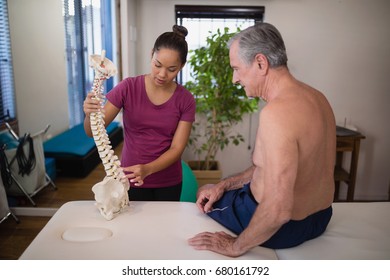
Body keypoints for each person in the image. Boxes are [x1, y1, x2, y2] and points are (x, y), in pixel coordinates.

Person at [188, 22, 336, 257]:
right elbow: (271, 168)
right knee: (219, 187)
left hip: (284, 229)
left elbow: (278, 210)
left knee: (203, 191)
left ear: (260, 62)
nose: (235, 79)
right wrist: (225, 184)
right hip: (320, 218)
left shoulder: (276, 114)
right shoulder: (319, 99)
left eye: (236, 69)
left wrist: (234, 246)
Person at [83, 25, 196, 201]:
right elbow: (92, 132)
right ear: (152, 54)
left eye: (172, 69)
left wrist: (148, 169)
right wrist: (90, 113)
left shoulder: (186, 99)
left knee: (164, 228)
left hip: (168, 181)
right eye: (157, 65)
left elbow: (177, 148)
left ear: (182, 65)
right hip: (129, 178)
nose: (162, 74)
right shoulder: (128, 88)